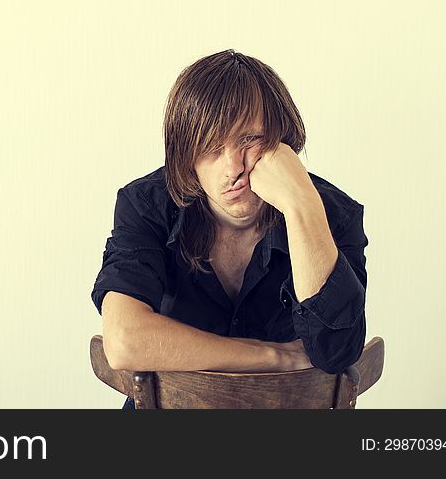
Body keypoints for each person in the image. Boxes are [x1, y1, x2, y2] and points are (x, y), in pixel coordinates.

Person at [91, 49, 368, 409]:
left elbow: (336, 352)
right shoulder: (146, 204)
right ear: (186, 155)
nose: (232, 167)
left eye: (250, 139)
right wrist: (273, 357)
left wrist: (301, 205)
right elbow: (125, 340)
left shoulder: (333, 213)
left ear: (282, 141)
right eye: (210, 147)